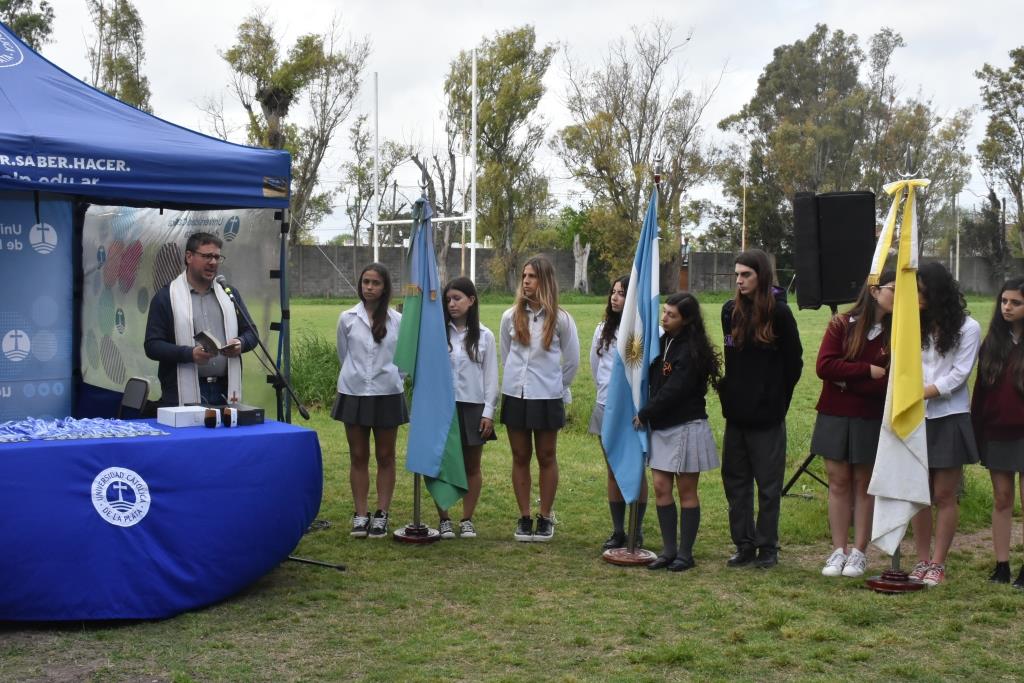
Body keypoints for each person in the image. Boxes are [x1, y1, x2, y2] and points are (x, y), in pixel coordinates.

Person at [719, 249, 803, 569]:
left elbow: (794, 362)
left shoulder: (780, 314)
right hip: (737, 415)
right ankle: (744, 544)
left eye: (746, 275)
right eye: (737, 275)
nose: (739, 280)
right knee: (736, 483)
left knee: (768, 487)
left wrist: (777, 399)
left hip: (768, 416)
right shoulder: (729, 311)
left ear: (762, 276)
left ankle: (768, 547)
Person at [811, 272, 895, 578]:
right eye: (893, 290)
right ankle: (838, 550)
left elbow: (886, 383)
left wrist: (846, 380)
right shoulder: (840, 324)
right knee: (838, 482)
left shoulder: (895, 333)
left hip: (869, 417)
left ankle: (859, 552)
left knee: (864, 483)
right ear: (874, 291)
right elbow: (824, 366)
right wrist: (865, 371)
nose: (897, 296)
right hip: (834, 414)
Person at [635, 292, 721, 572]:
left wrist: (645, 413)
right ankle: (668, 550)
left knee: (686, 491)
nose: (664, 318)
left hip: (685, 424)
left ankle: (686, 553)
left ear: (687, 319)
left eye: (671, 315)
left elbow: (676, 389)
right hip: (662, 426)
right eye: (664, 312)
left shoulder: (692, 350)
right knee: (661, 487)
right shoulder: (661, 343)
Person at [909, 262, 981, 586]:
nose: (917, 298)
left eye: (922, 292)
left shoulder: (969, 328)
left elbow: (959, 375)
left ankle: (938, 563)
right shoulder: (914, 323)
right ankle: (921, 559)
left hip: (949, 415)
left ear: (937, 293)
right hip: (916, 417)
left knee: (944, 494)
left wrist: (920, 393)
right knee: (918, 493)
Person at [500, 256, 580, 542]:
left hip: (547, 396)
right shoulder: (510, 316)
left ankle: (545, 517)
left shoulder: (561, 319)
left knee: (546, 456)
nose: (526, 281)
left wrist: (556, 386)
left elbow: (572, 361)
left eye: (532, 276)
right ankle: (524, 516)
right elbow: (506, 353)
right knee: (520, 456)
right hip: (515, 395)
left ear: (544, 280)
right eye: (524, 276)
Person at [333, 263, 407, 539]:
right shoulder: (347, 318)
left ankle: (382, 513)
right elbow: (344, 355)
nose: (369, 287)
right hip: (353, 393)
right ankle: (361, 514)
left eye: (375, 283)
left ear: (385, 287)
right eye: (365, 282)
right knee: (358, 455)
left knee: (386, 456)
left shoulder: (397, 321)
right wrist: (358, 377)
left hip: (387, 394)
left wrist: (388, 379)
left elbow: (403, 362)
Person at [144, 232, 257, 407]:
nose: (213, 262)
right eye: (206, 256)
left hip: (225, 389)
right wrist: (189, 354)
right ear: (189, 256)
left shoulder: (229, 294)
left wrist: (240, 343)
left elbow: (252, 333)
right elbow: (152, 345)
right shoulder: (166, 297)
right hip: (181, 392)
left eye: (217, 257)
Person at [971, 277, 1024, 588]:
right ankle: (1001, 565)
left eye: (1015, 302)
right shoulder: (992, 342)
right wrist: (977, 431)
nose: (1007, 307)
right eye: (1004, 301)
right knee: (1002, 498)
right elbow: (981, 392)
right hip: (996, 432)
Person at [437, 277, 498, 539]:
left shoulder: (485, 336)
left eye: (457, 298)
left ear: (471, 301)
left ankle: (467, 518)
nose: (452, 304)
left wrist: (488, 412)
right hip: (443, 409)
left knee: (472, 466)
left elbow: (491, 377)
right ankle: (444, 519)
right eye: (448, 299)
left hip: (473, 408)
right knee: (442, 465)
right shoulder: (438, 333)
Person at [590, 276, 648, 550]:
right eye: (613, 292)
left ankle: (636, 529)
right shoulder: (603, 329)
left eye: (622, 293)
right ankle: (618, 530)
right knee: (613, 469)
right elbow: (595, 367)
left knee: (636, 470)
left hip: (634, 412)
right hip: (606, 406)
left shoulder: (643, 332)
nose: (615, 297)